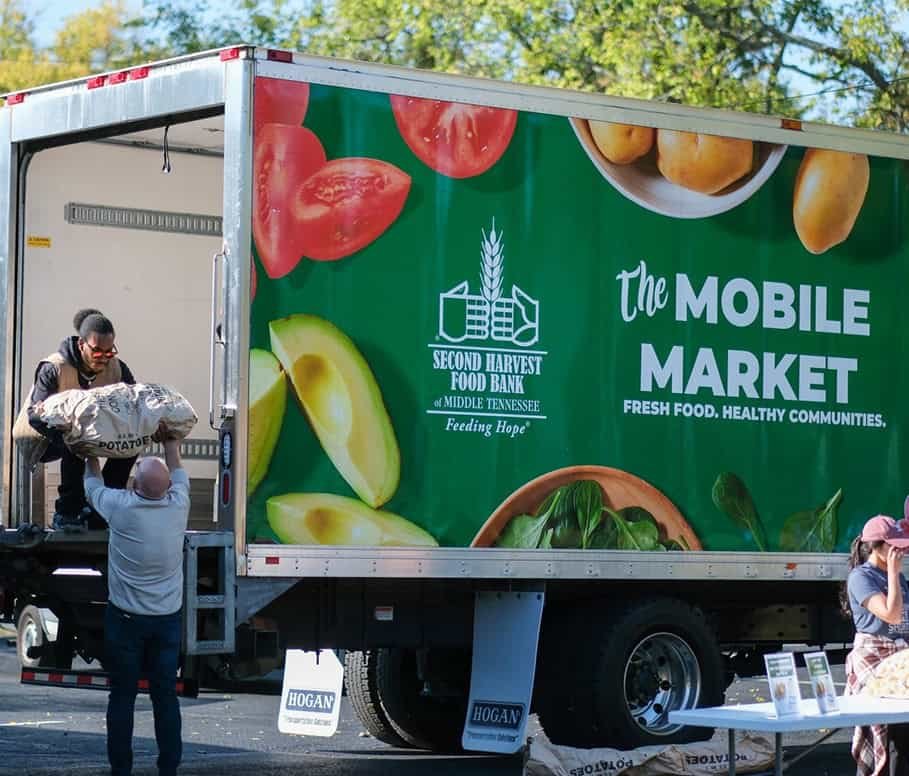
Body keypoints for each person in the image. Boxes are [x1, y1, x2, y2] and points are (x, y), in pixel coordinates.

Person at [84, 428, 189, 776]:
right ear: (168, 491)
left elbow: (92, 486)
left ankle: (121, 770)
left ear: (133, 487)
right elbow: (177, 471)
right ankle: (168, 769)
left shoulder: (121, 508)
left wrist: (90, 452)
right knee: (165, 699)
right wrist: (171, 443)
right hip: (166, 621)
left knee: (122, 697)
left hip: (126, 621)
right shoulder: (179, 507)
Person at [28, 308, 137, 530]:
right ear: (81, 345)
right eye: (97, 352)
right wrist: (71, 431)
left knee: (131, 445)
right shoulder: (53, 367)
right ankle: (67, 511)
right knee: (74, 442)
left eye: (109, 352)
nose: (103, 358)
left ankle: (102, 509)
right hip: (47, 435)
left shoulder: (118, 368)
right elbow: (35, 416)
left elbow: (134, 403)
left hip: (95, 432)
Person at [844, 514, 909, 776]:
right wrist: (893, 574)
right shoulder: (861, 577)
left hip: (900, 656)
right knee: (890, 730)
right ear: (876, 546)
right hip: (874, 658)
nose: (901, 550)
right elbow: (891, 614)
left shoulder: (899, 578)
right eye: (894, 546)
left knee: (904, 733)